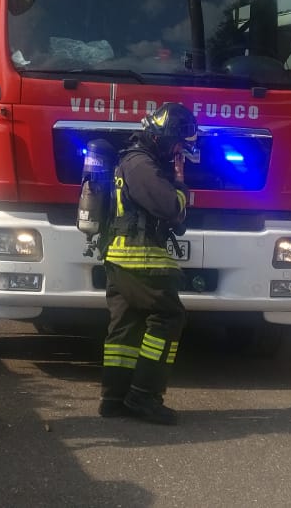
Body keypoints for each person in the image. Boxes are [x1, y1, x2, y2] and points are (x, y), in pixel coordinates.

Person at [98, 102, 198, 425]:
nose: (180, 150)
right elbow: (169, 206)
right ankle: (144, 395)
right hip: (138, 256)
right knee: (169, 316)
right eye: (178, 143)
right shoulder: (141, 165)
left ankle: (114, 397)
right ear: (164, 138)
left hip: (121, 256)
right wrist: (181, 187)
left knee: (126, 325)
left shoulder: (135, 161)